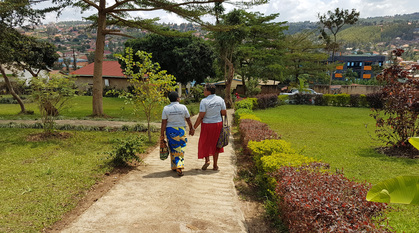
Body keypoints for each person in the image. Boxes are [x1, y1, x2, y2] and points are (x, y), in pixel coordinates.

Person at [193, 83, 227, 171]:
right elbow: (224, 113)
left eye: (204, 90)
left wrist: (194, 128)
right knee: (216, 144)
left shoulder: (204, 101)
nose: (203, 91)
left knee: (205, 142)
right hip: (218, 124)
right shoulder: (220, 99)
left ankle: (207, 160)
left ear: (208, 91)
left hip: (207, 125)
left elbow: (201, 116)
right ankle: (215, 165)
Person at [161, 91, 195, 176]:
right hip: (181, 130)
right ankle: (179, 166)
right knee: (181, 148)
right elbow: (188, 119)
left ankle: (174, 166)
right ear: (177, 98)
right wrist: (191, 128)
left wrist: (162, 134)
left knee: (173, 148)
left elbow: (164, 123)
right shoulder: (183, 107)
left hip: (170, 130)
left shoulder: (166, 108)